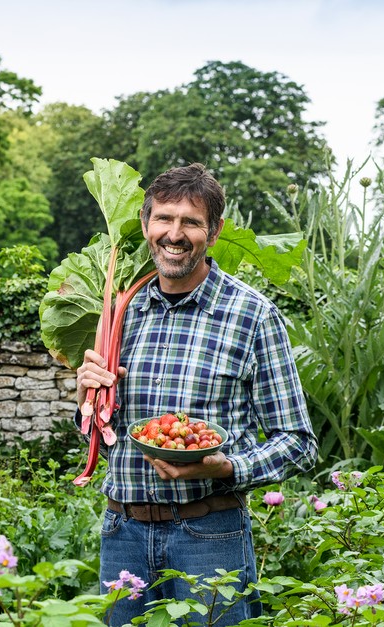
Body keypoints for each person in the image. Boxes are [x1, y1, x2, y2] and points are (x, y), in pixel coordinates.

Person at [75, 163, 318, 626]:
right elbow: (96, 435)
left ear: (215, 231)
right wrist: (86, 399)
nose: (175, 233)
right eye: (164, 218)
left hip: (209, 533)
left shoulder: (252, 315)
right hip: (122, 531)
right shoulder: (120, 313)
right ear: (146, 224)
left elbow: (299, 442)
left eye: (191, 221)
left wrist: (228, 467)